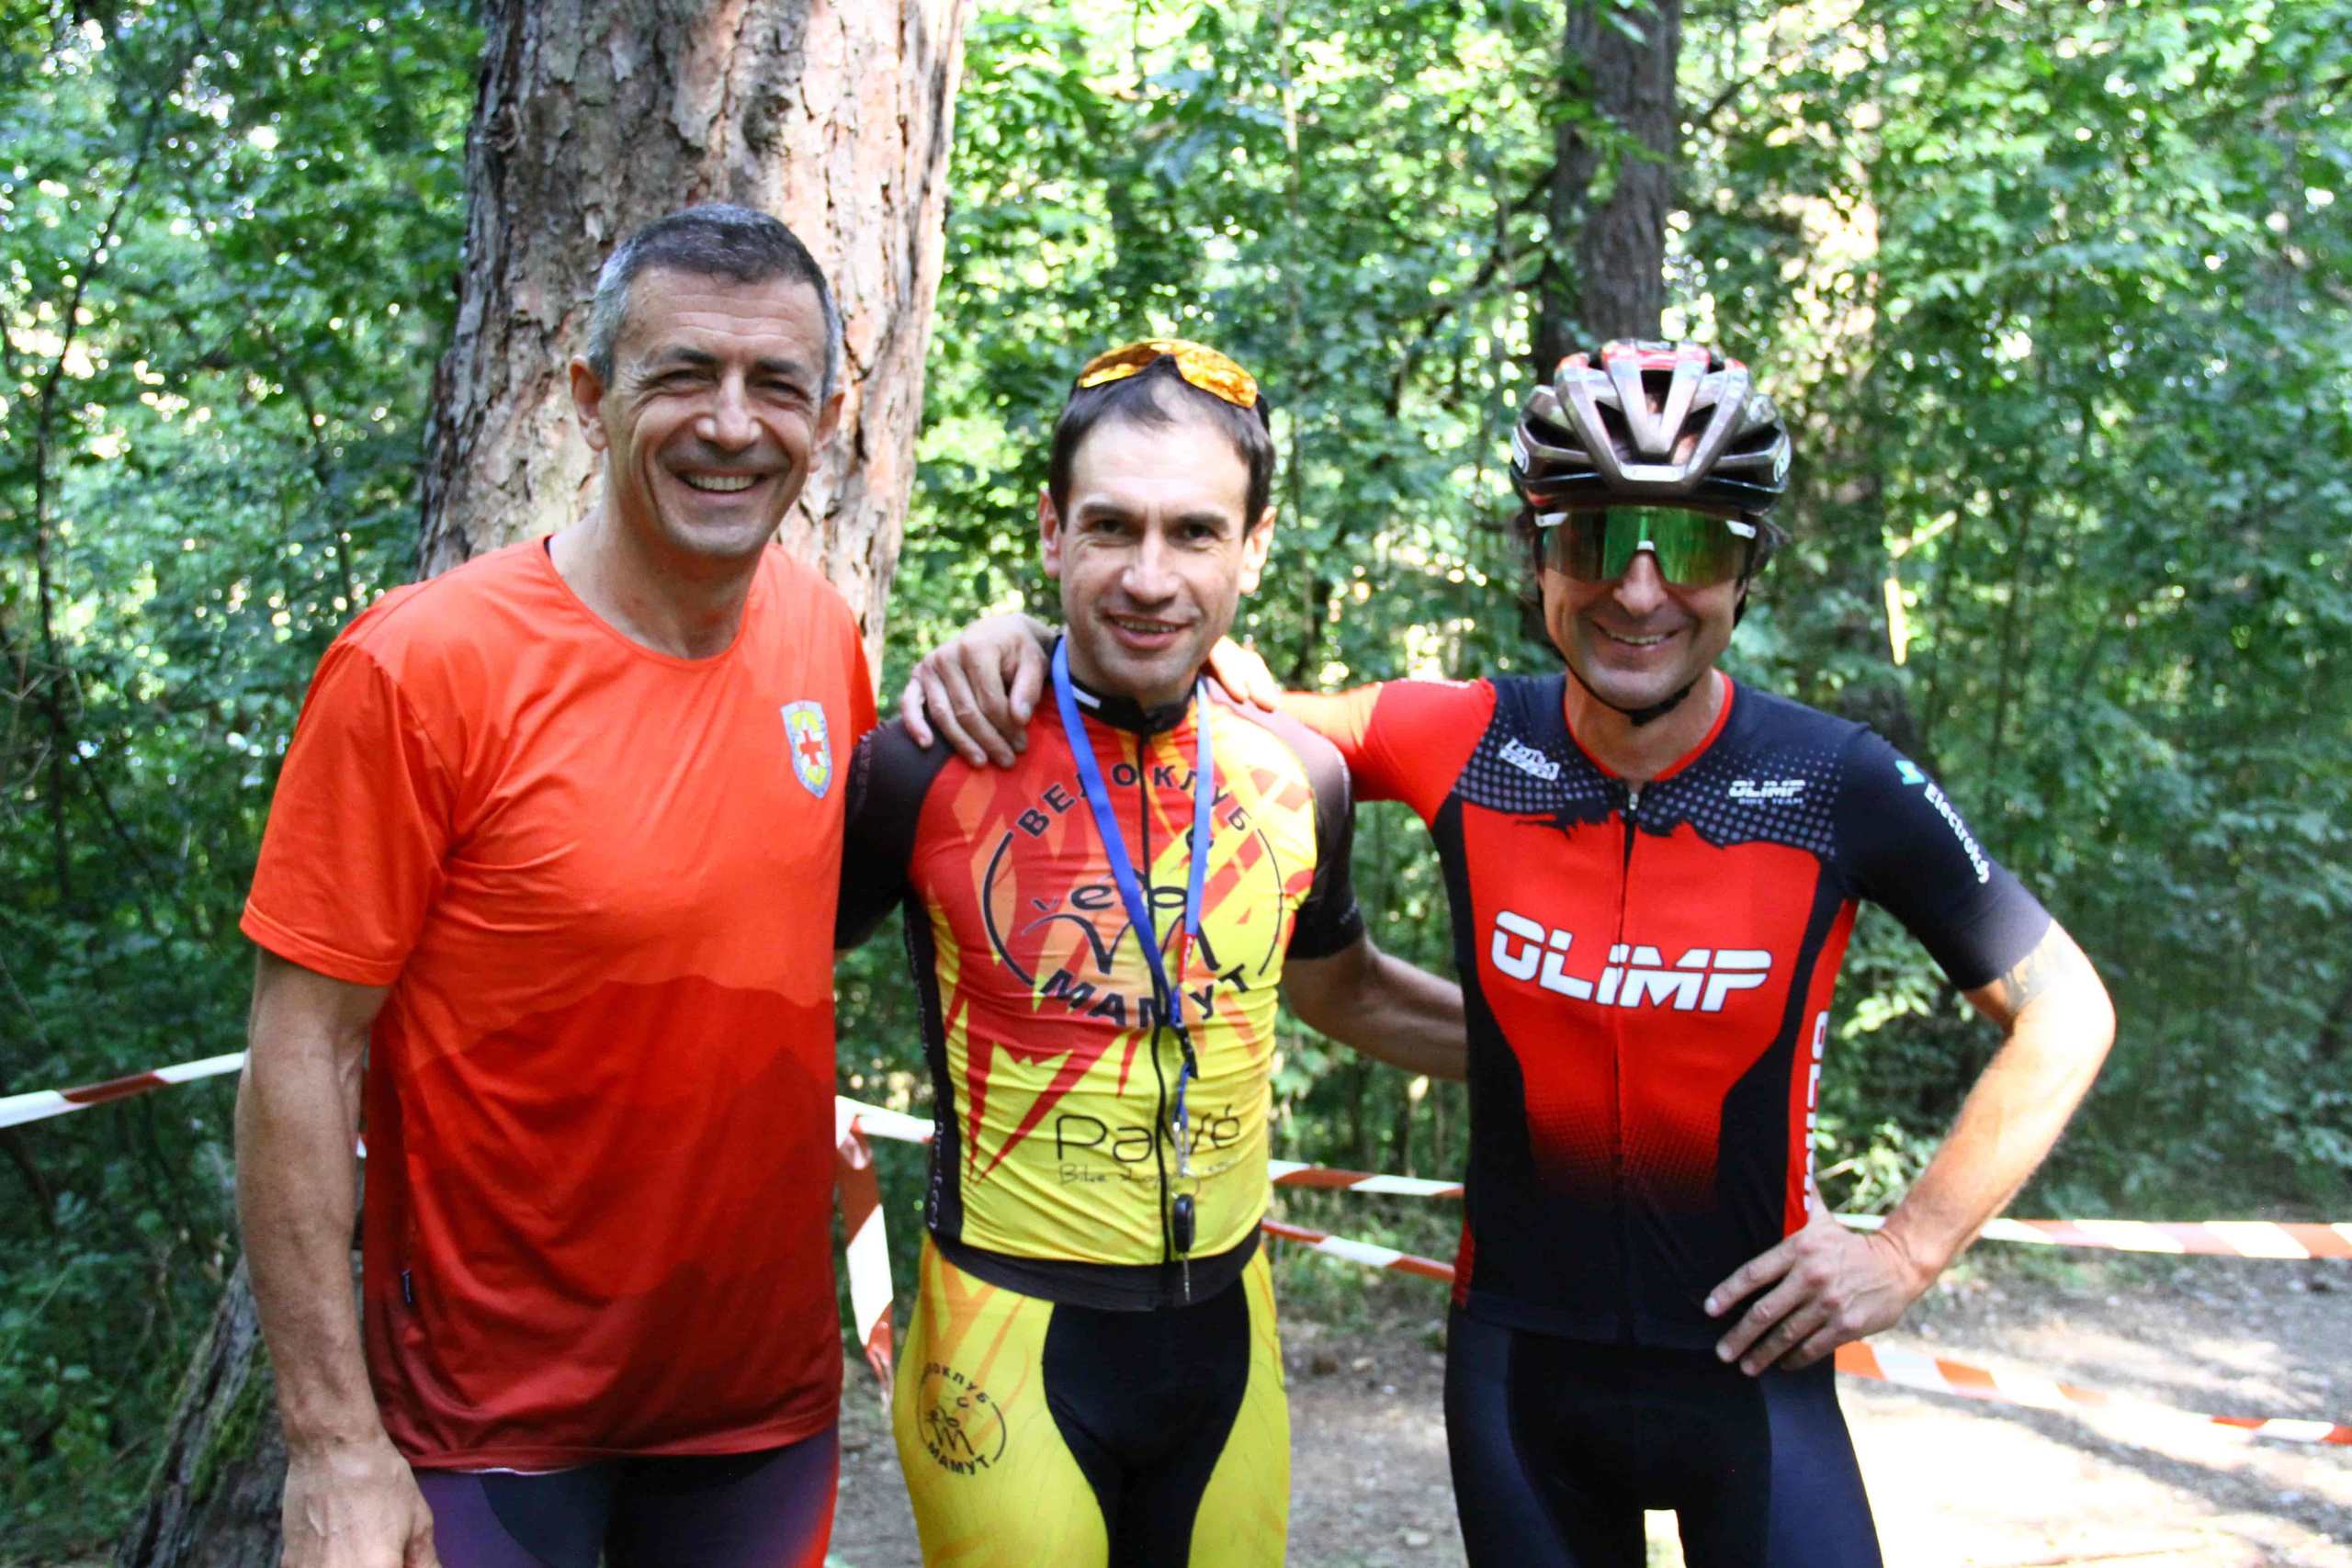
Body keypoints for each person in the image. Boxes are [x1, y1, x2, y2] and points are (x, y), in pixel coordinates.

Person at [903, 339, 2117, 1568]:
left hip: (1755, 1378)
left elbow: (2065, 1012)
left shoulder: (1837, 783)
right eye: (1593, 540)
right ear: (1538, 555)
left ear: (1747, 568)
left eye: (1690, 545)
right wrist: (1008, 642)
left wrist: (1906, 1250)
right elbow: (1181, 699)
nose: (1639, 592)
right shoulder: (1457, 737)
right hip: (1522, 1378)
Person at [237, 206, 873, 1568]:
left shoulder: (824, 638)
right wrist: (334, 1444)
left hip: (757, 1416)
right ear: (588, 398)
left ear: (831, 412)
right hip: (485, 1428)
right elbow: (300, 1050)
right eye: (681, 375)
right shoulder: (424, 670)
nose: (731, 423)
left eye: (776, 385)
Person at [838, 340, 1465, 1568]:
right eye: (1110, 527)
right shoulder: (926, 762)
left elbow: (1344, 989)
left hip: (1230, 1339)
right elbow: (761, 980)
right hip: (1004, 1333)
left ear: (1254, 546)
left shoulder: (1303, 777)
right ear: (1051, 531)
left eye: (1192, 533)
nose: (1147, 576)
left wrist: (1582, 1051)